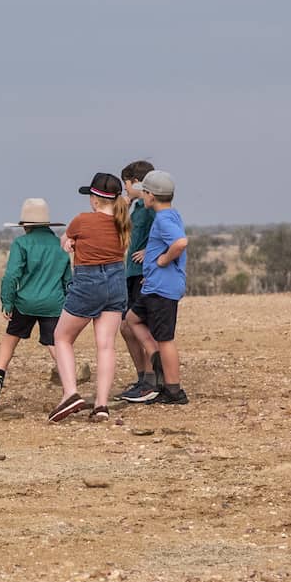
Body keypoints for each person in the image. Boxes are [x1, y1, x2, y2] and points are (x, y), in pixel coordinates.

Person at [50, 172, 130, 423]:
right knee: (106, 344)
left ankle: (71, 392)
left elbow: (67, 238)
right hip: (116, 282)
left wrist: (70, 243)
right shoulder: (122, 222)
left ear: (95, 199)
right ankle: (102, 405)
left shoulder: (82, 220)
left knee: (62, 337)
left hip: (88, 282)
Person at [0, 198, 70, 410]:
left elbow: (12, 275)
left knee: (10, 338)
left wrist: (7, 302)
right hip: (53, 303)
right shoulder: (60, 245)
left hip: (25, 302)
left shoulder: (21, 243)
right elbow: (68, 280)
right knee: (54, 343)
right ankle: (69, 385)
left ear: (25, 225)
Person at [122, 171, 189, 406]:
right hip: (153, 286)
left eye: (145, 191)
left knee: (165, 338)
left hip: (162, 288)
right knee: (132, 319)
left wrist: (162, 261)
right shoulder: (171, 214)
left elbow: (180, 242)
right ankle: (156, 358)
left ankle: (174, 390)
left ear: (150, 195)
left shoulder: (163, 219)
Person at [118, 160, 162, 399]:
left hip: (143, 274)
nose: (125, 189)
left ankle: (150, 380)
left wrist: (149, 254)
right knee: (129, 327)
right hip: (132, 273)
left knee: (133, 326)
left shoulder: (151, 208)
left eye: (126, 183)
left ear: (137, 182)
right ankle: (144, 379)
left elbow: (165, 234)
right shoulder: (137, 207)